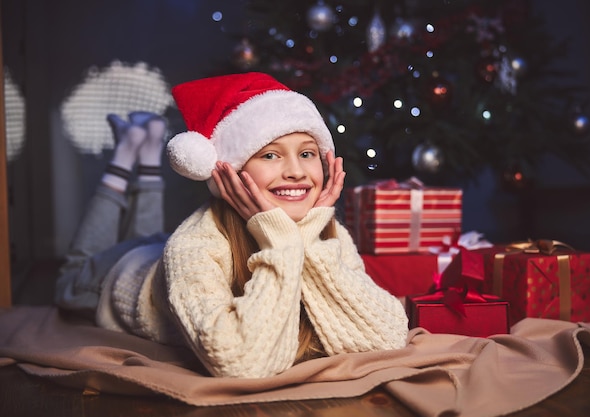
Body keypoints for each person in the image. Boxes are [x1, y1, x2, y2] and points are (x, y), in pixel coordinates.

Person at [55, 72, 409, 379]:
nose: (297, 172)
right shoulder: (192, 245)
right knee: (74, 270)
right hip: (119, 277)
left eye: (306, 153)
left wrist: (305, 236)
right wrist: (283, 244)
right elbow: (239, 360)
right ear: (230, 171)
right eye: (270, 155)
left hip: (168, 252)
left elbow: (388, 336)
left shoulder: (327, 232)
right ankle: (125, 157)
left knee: (148, 238)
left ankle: (145, 154)